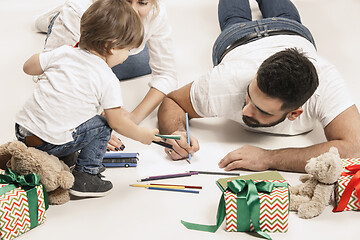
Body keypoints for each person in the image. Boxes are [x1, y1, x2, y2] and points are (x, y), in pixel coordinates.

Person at [157, 0, 360, 173]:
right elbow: (173, 100)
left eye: (261, 109)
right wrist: (176, 134)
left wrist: (269, 159)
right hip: (242, 37)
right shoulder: (227, 80)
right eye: (249, 95)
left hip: (289, 31)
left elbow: (354, 148)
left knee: (273, 13)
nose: (245, 109)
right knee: (235, 19)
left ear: (294, 113)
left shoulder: (325, 83)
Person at [15, 0, 161, 197]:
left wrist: (49, 60)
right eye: (127, 50)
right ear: (111, 46)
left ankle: (64, 157)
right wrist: (142, 135)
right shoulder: (107, 78)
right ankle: (86, 176)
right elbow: (117, 122)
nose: (127, 56)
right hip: (48, 142)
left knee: (75, 110)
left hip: (23, 132)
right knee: (102, 124)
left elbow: (27, 67)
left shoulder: (64, 52)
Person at [34, 0, 177, 150]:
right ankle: (53, 19)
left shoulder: (156, 12)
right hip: (79, 38)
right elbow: (51, 75)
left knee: (142, 63)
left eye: (142, 3)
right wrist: (89, 127)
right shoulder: (78, 10)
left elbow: (166, 74)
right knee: (81, 69)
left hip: (115, 50)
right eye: (126, 1)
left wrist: (133, 118)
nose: (133, 11)